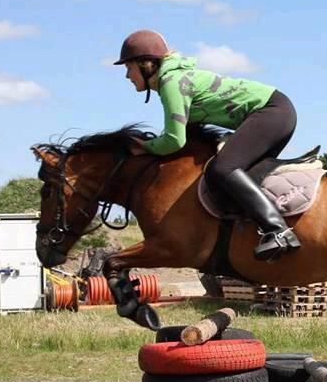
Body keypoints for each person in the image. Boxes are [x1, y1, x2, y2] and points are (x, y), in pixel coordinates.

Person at [114, 29, 301, 262]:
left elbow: (174, 140)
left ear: (146, 64)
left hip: (272, 112)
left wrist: (146, 147)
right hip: (276, 112)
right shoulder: (174, 80)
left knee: (223, 168)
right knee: (232, 176)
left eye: (128, 68)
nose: (127, 76)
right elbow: (187, 138)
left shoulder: (171, 83)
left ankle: (279, 232)